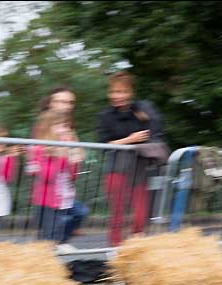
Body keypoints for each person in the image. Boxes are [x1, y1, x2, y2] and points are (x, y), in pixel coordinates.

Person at [97, 71, 168, 246]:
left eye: (122, 92)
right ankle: (115, 249)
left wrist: (147, 119)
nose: (117, 96)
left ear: (130, 93)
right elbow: (103, 145)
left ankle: (137, 248)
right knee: (117, 213)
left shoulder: (142, 109)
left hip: (140, 168)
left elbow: (156, 132)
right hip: (116, 169)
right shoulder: (105, 116)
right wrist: (130, 140)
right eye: (114, 92)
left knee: (140, 214)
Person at [30, 110, 86, 244]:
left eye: (66, 126)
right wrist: (61, 157)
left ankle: (59, 243)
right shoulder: (40, 149)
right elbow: (47, 176)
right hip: (48, 200)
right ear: (48, 128)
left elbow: (72, 176)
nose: (65, 130)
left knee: (80, 213)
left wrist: (74, 160)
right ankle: (48, 251)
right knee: (49, 235)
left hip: (64, 196)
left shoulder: (64, 147)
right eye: (61, 126)